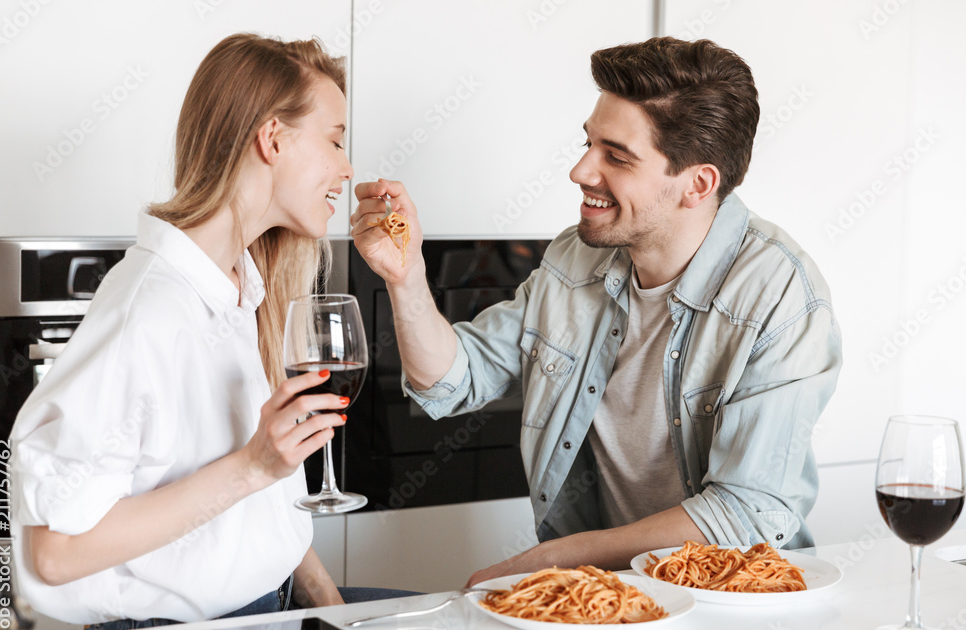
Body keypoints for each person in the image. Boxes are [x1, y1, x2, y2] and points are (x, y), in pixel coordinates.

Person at [349, 37, 843, 585]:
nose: (581, 171)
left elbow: (746, 513)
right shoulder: (576, 255)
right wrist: (406, 276)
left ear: (697, 184)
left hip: (734, 601)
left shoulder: (779, 295)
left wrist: (554, 559)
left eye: (616, 155)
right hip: (612, 593)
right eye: (589, 144)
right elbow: (452, 381)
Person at [10, 33, 406, 630]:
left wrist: (329, 605)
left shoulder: (236, 286)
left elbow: (263, 510)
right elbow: (56, 553)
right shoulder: (148, 310)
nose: (348, 169)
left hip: (269, 614)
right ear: (272, 139)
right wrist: (252, 465)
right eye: (335, 140)